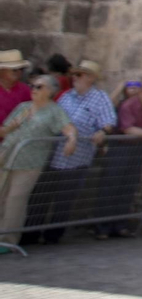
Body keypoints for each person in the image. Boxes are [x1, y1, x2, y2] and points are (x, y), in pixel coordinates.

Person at [33, 58, 116, 244]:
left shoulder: (100, 98)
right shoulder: (65, 96)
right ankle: (30, 235)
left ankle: (52, 237)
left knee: (64, 201)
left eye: (78, 75)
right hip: (54, 155)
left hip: (77, 159)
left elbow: (108, 122)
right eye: (73, 74)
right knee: (40, 197)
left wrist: (102, 132)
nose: (74, 78)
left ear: (90, 78)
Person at [0, 74, 75, 246]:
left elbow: (68, 128)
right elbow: (4, 131)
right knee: (1, 197)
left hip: (29, 163)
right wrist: (12, 127)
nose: (33, 89)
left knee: (15, 200)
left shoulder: (54, 111)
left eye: (39, 87)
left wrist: (72, 140)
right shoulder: (23, 107)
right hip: (6, 157)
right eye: (32, 86)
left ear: (50, 91)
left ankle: (7, 240)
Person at [97, 75, 142, 239]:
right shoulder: (128, 105)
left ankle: (121, 225)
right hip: (121, 148)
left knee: (129, 186)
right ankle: (103, 227)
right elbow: (128, 128)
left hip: (138, 148)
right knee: (111, 186)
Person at [0, 52, 31, 124]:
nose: (19, 72)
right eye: (14, 69)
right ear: (2, 70)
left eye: (21, 69)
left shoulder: (25, 90)